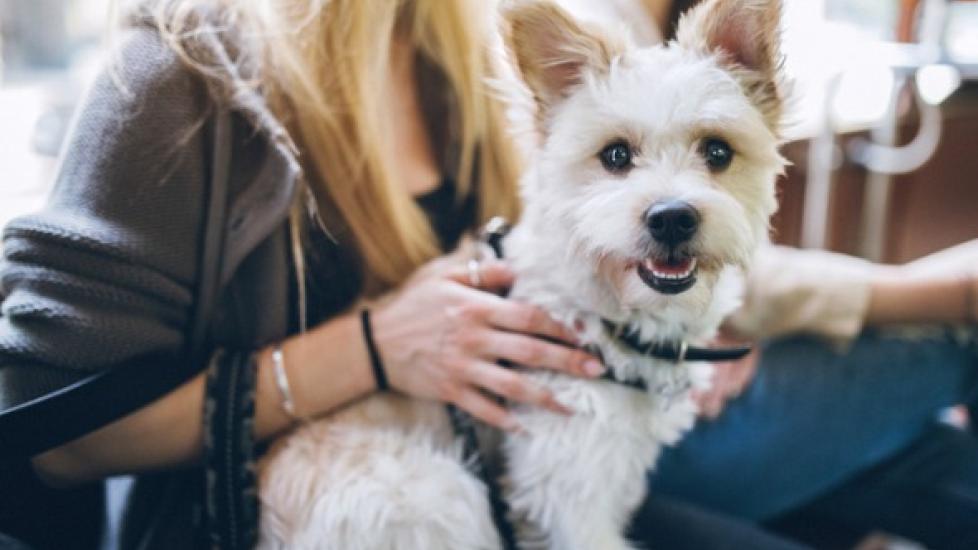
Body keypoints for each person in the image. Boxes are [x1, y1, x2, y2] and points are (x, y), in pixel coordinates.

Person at [0, 0, 607, 548]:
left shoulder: (483, 55)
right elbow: (52, 439)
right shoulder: (178, 67)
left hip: (509, 487)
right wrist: (373, 346)